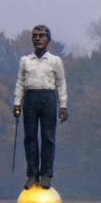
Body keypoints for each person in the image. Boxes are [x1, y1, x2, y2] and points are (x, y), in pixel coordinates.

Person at [13, 25, 68, 190]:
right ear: (31, 39)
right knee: (29, 137)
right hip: (30, 98)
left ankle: (46, 174)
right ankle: (32, 174)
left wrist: (63, 106)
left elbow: (61, 84)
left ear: (48, 39)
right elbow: (20, 82)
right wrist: (17, 102)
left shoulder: (55, 61)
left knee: (48, 138)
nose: (38, 38)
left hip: (48, 98)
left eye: (42, 35)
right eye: (35, 35)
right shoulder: (25, 61)